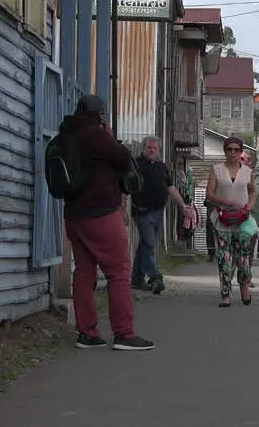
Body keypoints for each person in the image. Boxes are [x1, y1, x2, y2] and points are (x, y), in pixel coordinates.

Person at [58, 94, 154, 351]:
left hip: (74, 214)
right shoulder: (95, 135)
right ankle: (124, 333)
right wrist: (109, 134)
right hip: (100, 212)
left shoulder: (67, 134)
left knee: (84, 271)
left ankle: (87, 333)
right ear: (100, 115)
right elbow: (122, 158)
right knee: (119, 271)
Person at [131, 135, 197, 295]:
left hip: (158, 211)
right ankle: (155, 278)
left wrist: (183, 205)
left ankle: (137, 279)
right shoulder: (136, 165)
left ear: (159, 149)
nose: (152, 150)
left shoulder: (161, 166)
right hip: (142, 211)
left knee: (145, 245)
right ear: (143, 148)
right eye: (149, 147)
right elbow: (126, 187)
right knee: (150, 243)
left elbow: (171, 187)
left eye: (155, 147)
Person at [204, 136, 259, 308]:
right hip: (222, 220)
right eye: (229, 149)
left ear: (241, 151)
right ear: (225, 151)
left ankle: (244, 287)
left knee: (243, 258)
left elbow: (252, 191)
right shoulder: (217, 169)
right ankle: (226, 294)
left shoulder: (247, 172)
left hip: (241, 221)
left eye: (236, 150)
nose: (233, 153)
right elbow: (209, 193)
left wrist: (249, 205)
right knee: (224, 258)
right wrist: (226, 202)